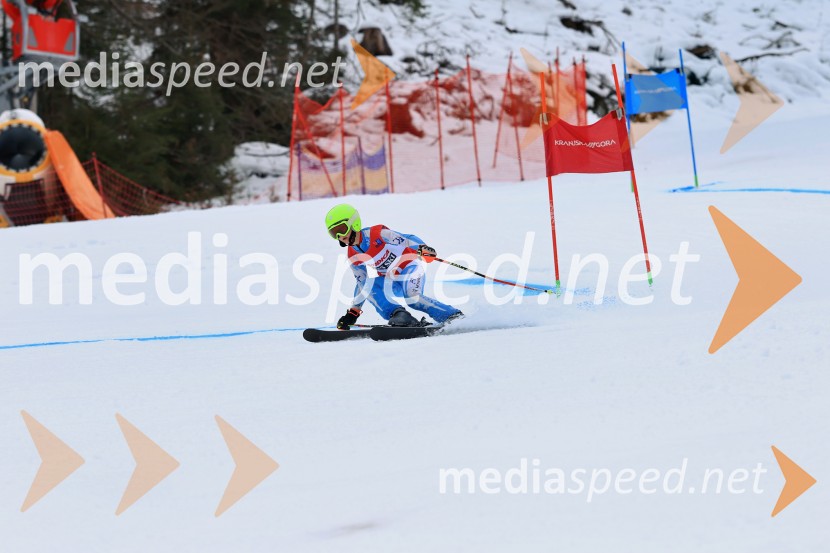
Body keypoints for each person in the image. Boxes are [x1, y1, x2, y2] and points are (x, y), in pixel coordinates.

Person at [325, 203, 463, 329]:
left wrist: (422, 248)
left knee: (412, 299)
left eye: (341, 229)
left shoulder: (377, 234)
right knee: (368, 284)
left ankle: (452, 316)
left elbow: (407, 239)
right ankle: (399, 315)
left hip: (410, 269)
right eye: (333, 233)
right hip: (391, 279)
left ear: (353, 223)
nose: (339, 236)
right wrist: (353, 313)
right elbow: (362, 283)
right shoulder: (353, 256)